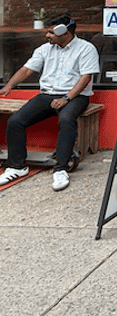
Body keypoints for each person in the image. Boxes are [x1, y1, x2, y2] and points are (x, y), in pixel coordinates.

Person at [0, 14, 100, 191]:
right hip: (47, 95)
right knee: (16, 121)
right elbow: (26, 70)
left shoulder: (86, 49)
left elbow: (86, 77)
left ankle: (61, 168)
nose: (47, 35)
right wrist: (8, 86)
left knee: (66, 120)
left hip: (75, 96)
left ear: (65, 33)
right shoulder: (44, 49)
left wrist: (66, 98)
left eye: (51, 32)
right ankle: (17, 167)